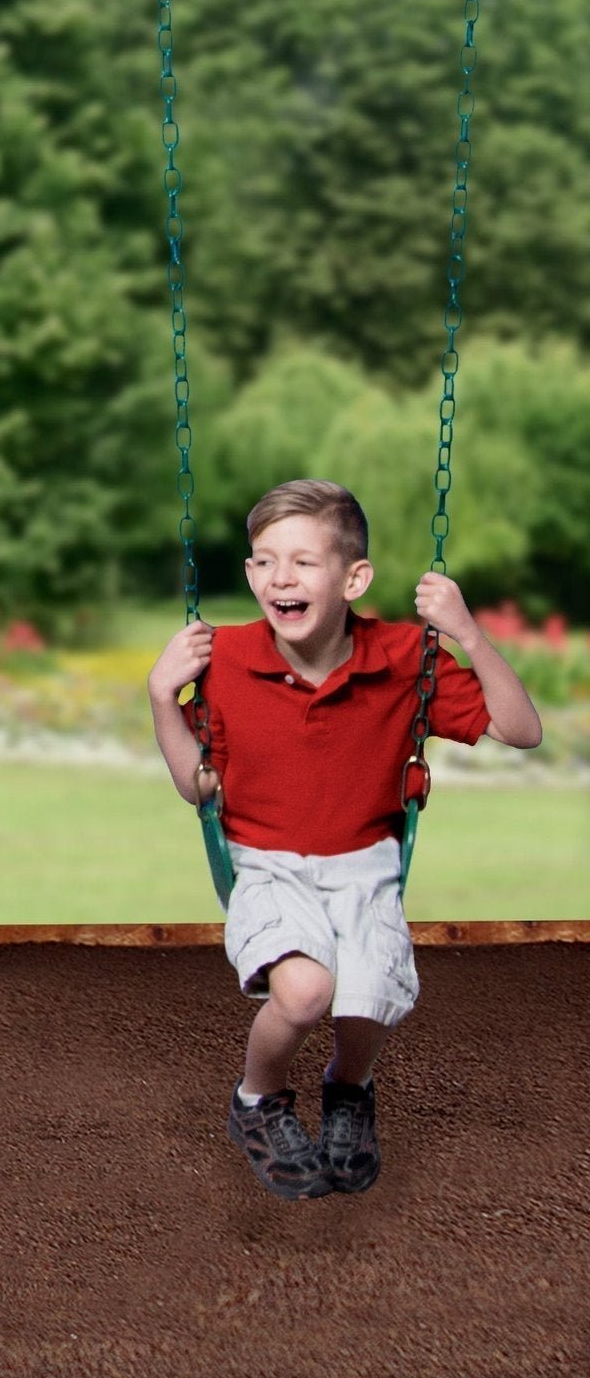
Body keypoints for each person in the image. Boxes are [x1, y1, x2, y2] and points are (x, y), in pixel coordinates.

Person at [148, 479, 542, 1200]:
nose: (280, 578)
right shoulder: (225, 658)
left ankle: (348, 1087)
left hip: (367, 865)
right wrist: (161, 697)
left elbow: (521, 730)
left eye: (303, 562)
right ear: (249, 574)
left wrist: (467, 633)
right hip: (266, 865)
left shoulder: (404, 656)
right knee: (306, 992)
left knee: (368, 998)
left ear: (353, 579)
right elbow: (197, 787)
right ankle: (257, 1099)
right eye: (265, 562)